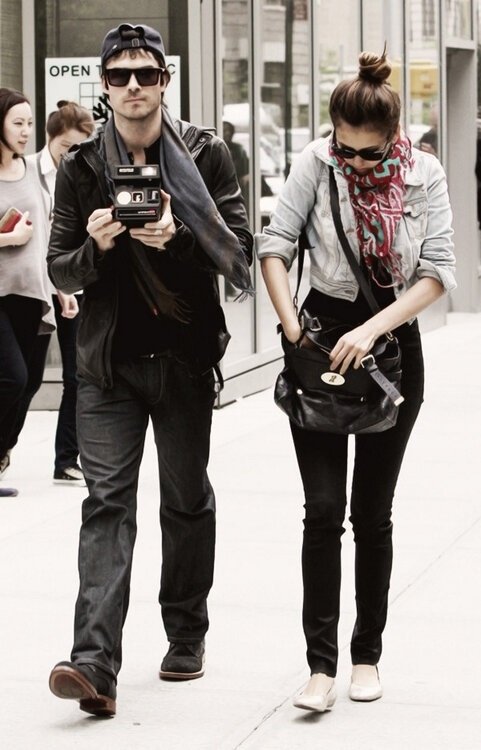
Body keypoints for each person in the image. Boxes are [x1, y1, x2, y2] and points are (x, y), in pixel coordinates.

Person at [47, 22, 253, 717]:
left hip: (185, 361)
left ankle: (185, 633)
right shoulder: (81, 168)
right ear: (104, 87)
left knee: (185, 498)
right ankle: (93, 664)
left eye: (146, 74)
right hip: (108, 368)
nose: (133, 86)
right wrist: (98, 246)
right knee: (106, 505)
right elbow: (59, 267)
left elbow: (237, 253)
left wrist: (179, 238)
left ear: (165, 81)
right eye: (119, 75)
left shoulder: (207, 154)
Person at [256, 50, 455, 712]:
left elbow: (436, 270)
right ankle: (318, 666)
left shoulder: (423, 174)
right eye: (345, 149)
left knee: (372, 515)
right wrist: (291, 329)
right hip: (316, 341)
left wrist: (372, 331)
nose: (355, 163)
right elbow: (276, 245)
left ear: (392, 139)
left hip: (390, 344)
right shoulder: (316, 164)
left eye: (368, 155)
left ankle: (366, 654)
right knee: (321, 513)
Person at [27, 101, 95, 485]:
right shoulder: (29, 174)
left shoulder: (85, 171)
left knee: (77, 375)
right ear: (51, 139)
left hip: (74, 285)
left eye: (81, 146)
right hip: (37, 284)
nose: (74, 154)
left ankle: (66, 460)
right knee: (25, 377)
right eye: (68, 147)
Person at [0, 88, 55, 497]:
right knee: (13, 378)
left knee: (31, 380)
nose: (25, 131)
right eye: (17, 122)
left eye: (29, 123)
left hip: (31, 291)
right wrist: (7, 238)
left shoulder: (33, 170)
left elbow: (48, 234)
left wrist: (60, 287)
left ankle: (3, 450)